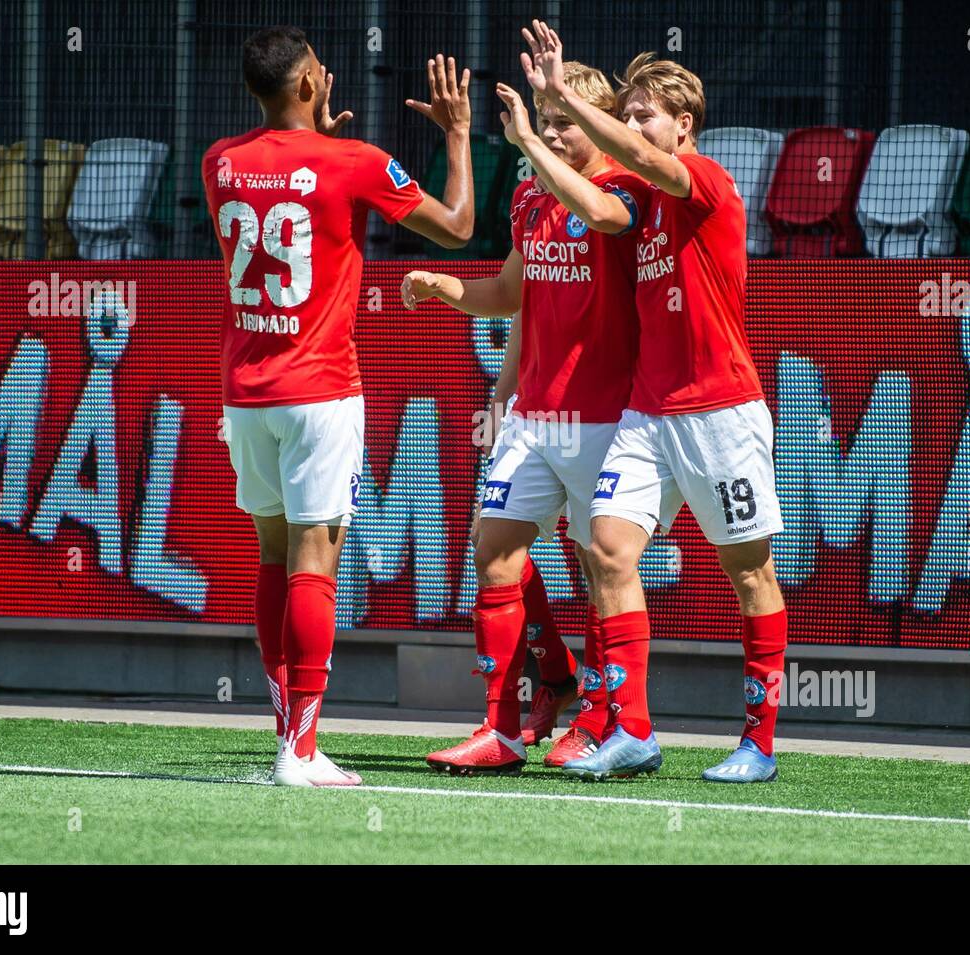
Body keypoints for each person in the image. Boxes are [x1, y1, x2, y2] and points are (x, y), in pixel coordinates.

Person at [202, 25, 475, 787]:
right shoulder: (354, 163)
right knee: (316, 566)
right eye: (321, 69)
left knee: (273, 555)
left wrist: (313, 136)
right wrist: (456, 136)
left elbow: (288, 180)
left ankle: (286, 737)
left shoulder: (220, 161)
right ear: (310, 86)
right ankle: (302, 750)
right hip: (321, 391)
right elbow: (456, 228)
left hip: (246, 393)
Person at [520, 22, 788, 783]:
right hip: (647, 410)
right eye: (629, 112)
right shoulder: (632, 193)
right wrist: (537, 130)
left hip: (721, 412)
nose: (634, 127)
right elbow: (593, 195)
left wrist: (566, 93)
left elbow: (633, 159)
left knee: (750, 575)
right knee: (605, 548)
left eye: (646, 114)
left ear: (683, 126)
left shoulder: (705, 180)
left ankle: (759, 741)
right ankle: (632, 728)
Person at [401, 63, 645, 774]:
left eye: (566, 119)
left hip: (608, 415)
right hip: (539, 416)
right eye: (546, 117)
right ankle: (501, 730)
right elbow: (516, 293)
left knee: (603, 565)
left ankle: (600, 719)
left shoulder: (623, 193)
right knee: (493, 547)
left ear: (599, 124)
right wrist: (448, 289)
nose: (554, 131)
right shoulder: (531, 197)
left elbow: (600, 223)